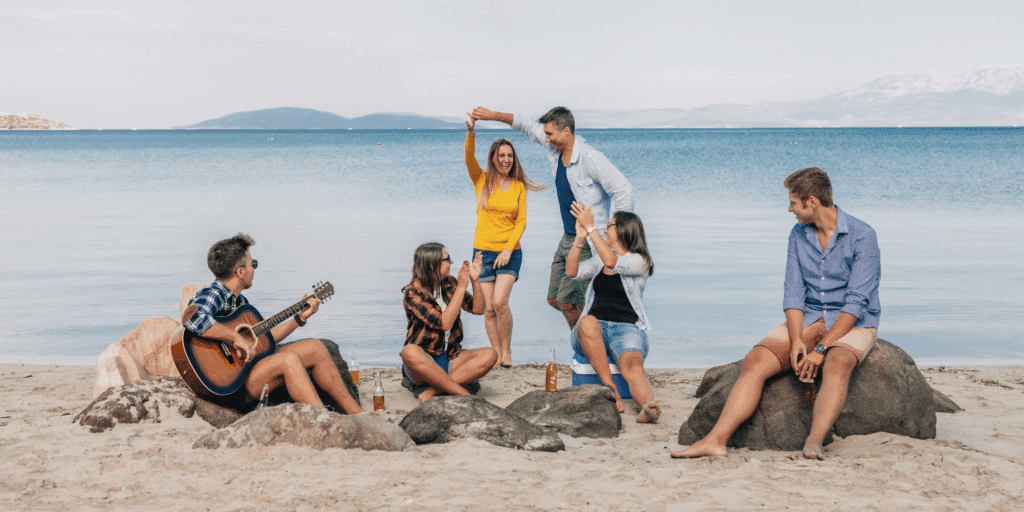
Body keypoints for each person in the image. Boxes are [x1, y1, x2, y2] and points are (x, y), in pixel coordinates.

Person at [671, 167, 881, 460]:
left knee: (838, 362)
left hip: (855, 322)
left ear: (812, 202)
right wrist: (796, 340)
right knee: (755, 360)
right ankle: (716, 440)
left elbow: (856, 303)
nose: (789, 209)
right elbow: (793, 293)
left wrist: (820, 349)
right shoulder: (798, 234)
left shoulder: (863, 236)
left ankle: (814, 441)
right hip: (810, 316)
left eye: (793, 202)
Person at [471, 106, 633, 331]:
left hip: (588, 240)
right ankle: (590, 341)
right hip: (569, 236)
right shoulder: (555, 148)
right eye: (545, 134)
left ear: (566, 131)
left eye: (550, 134)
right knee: (555, 298)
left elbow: (624, 191)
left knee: (568, 301)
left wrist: (616, 237)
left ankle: (590, 346)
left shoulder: (590, 159)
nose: (546, 139)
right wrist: (492, 116)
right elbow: (526, 125)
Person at [183, 233, 364, 414]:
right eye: (253, 264)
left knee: (316, 348)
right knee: (288, 359)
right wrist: (235, 337)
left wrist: (299, 319)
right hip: (227, 386)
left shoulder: (241, 305)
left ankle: (358, 414)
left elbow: (265, 340)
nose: (254, 269)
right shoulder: (214, 294)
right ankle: (323, 418)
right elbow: (192, 318)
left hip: (247, 372)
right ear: (240, 272)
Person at [566, 201, 660, 423]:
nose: (606, 230)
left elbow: (613, 262)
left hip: (626, 328)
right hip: (592, 331)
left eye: (609, 225)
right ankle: (612, 390)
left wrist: (591, 227)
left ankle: (647, 407)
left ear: (622, 230)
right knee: (587, 321)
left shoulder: (640, 261)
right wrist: (580, 238)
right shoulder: (600, 259)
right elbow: (572, 271)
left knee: (632, 365)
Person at [464, 114, 545, 368]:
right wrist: (471, 133)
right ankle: (497, 355)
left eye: (509, 156)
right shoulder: (481, 180)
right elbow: (469, 157)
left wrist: (508, 249)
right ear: (493, 158)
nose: (506, 159)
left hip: (510, 252)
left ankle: (507, 351)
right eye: (501, 155)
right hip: (483, 252)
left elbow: (521, 222)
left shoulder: (518, 187)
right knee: (488, 309)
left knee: (500, 302)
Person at [400, 243, 497, 402]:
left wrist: (474, 280)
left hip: (449, 356)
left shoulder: (450, 283)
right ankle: (463, 393)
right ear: (434, 265)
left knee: (490, 355)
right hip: (423, 361)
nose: (451, 262)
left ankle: (432, 391)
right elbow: (443, 323)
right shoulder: (412, 293)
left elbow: (478, 309)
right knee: (409, 351)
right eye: (448, 259)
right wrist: (462, 287)